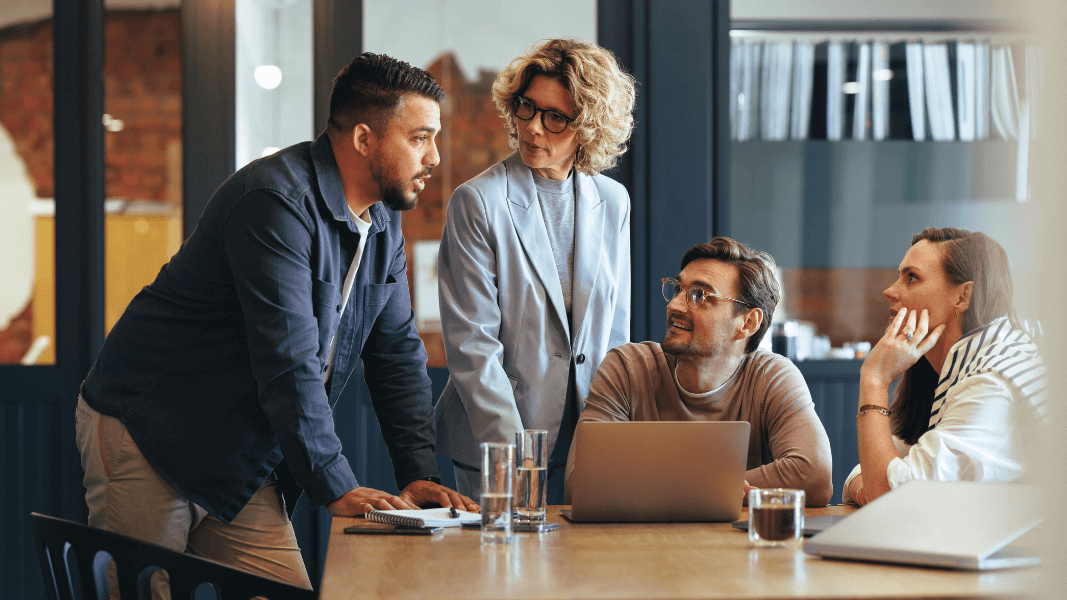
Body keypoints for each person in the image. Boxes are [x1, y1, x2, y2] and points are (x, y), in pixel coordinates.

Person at [75, 53, 475, 591]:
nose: (434, 157)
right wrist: (336, 485)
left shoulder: (382, 225)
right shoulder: (275, 203)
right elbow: (288, 360)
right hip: (151, 431)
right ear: (363, 139)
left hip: (237, 449)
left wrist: (418, 474)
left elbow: (397, 353)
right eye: (420, 138)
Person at [434, 38, 636, 503]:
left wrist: (613, 438)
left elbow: (614, 334)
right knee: (504, 573)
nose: (533, 129)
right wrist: (513, 459)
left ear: (589, 126)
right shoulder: (477, 202)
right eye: (527, 108)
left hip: (589, 437)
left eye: (555, 117)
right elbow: (472, 347)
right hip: (500, 440)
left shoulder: (613, 201)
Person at [564, 237, 833, 507]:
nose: (675, 305)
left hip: (737, 546)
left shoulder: (771, 376)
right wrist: (717, 488)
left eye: (700, 296)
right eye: (679, 289)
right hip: (642, 544)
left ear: (747, 322)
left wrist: (661, 490)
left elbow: (814, 476)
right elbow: (581, 484)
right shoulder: (627, 368)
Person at [844, 228, 1046, 506]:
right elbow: (871, 473)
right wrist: (869, 485)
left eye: (911, 278)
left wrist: (875, 379)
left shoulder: (990, 387)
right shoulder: (958, 368)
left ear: (962, 297)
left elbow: (892, 500)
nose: (889, 291)